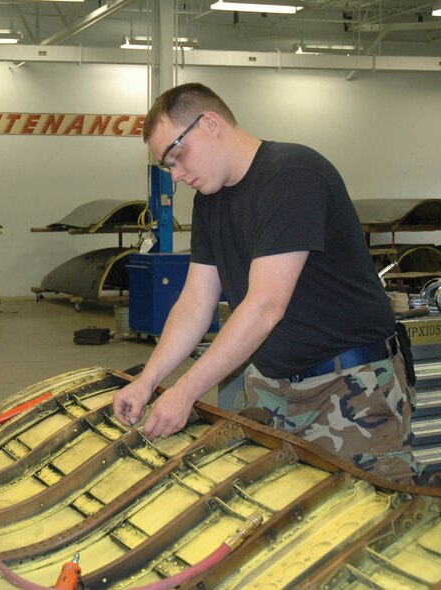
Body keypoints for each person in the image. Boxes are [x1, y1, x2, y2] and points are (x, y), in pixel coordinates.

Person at [112, 82, 421, 484]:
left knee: (366, 523)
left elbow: (264, 307)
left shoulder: (292, 175)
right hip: (274, 387)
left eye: (177, 156)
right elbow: (195, 301)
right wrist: (148, 381)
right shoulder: (210, 200)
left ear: (210, 123)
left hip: (350, 388)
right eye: (166, 166)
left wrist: (185, 392)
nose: (176, 175)